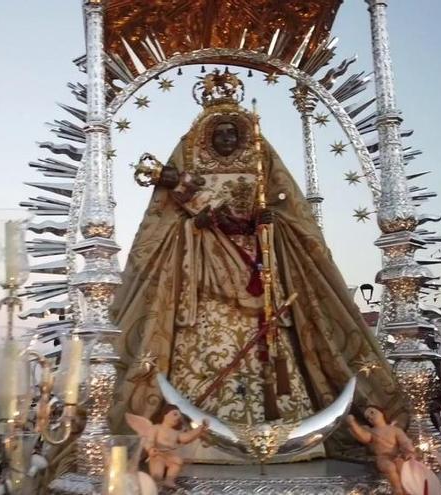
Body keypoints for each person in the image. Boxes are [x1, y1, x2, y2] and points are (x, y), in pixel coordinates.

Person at [110, 70, 406, 462]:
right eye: (221, 130)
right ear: (205, 134)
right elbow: (165, 222)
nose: (228, 137)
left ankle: (279, 431)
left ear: (245, 135)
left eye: (235, 131)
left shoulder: (262, 163)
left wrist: (268, 222)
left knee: (269, 345)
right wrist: (195, 224)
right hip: (204, 271)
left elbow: (288, 213)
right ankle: (195, 436)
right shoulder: (186, 169)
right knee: (203, 340)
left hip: (257, 267)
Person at [346, 406, 416, 495]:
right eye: (368, 417)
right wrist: (353, 423)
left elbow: (404, 441)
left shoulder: (394, 430)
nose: (370, 417)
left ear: (381, 412)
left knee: (401, 466)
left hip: (397, 456)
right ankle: (397, 490)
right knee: (389, 467)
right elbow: (363, 437)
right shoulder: (371, 431)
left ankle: (408, 490)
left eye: (372, 413)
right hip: (383, 457)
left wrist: (409, 450)